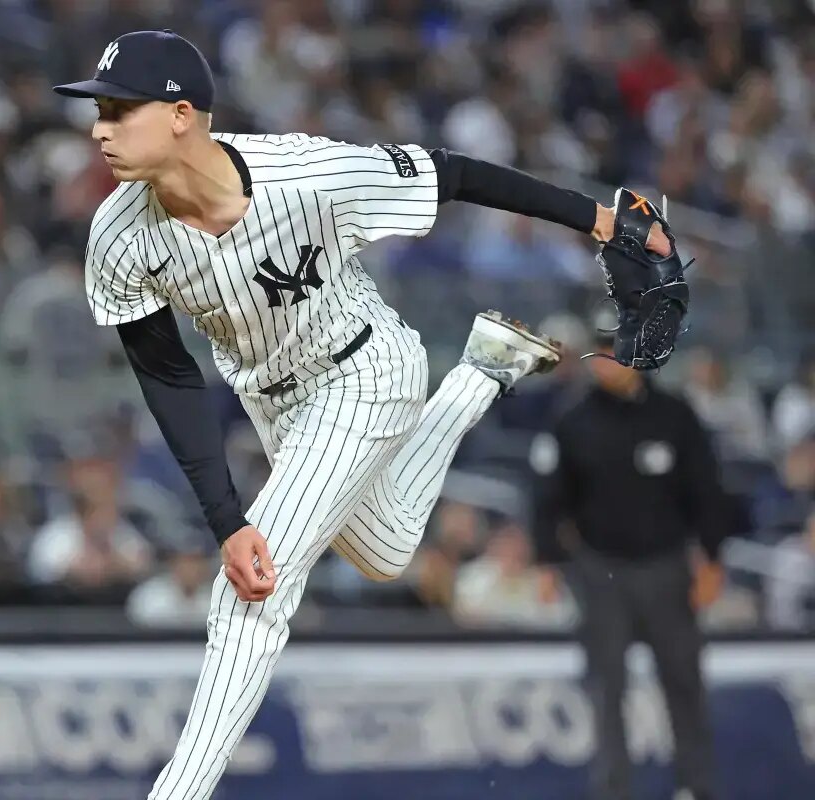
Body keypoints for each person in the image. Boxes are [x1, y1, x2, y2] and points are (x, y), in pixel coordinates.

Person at [52, 29, 674, 800]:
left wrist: (601, 220)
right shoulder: (117, 234)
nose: (99, 129)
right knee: (382, 552)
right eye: (97, 111)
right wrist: (223, 517)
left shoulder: (307, 174)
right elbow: (167, 376)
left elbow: (450, 175)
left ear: (182, 115)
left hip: (364, 368)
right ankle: (482, 373)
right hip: (274, 403)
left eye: (119, 109)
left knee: (253, 590)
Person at [531, 327, 728, 800]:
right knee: (606, 686)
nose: (602, 364)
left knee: (683, 680)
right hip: (600, 570)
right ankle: (613, 790)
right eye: (596, 355)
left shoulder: (675, 415)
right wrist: (547, 562)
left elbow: (706, 489)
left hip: (667, 566)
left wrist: (713, 558)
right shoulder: (573, 420)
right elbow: (548, 498)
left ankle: (695, 786)